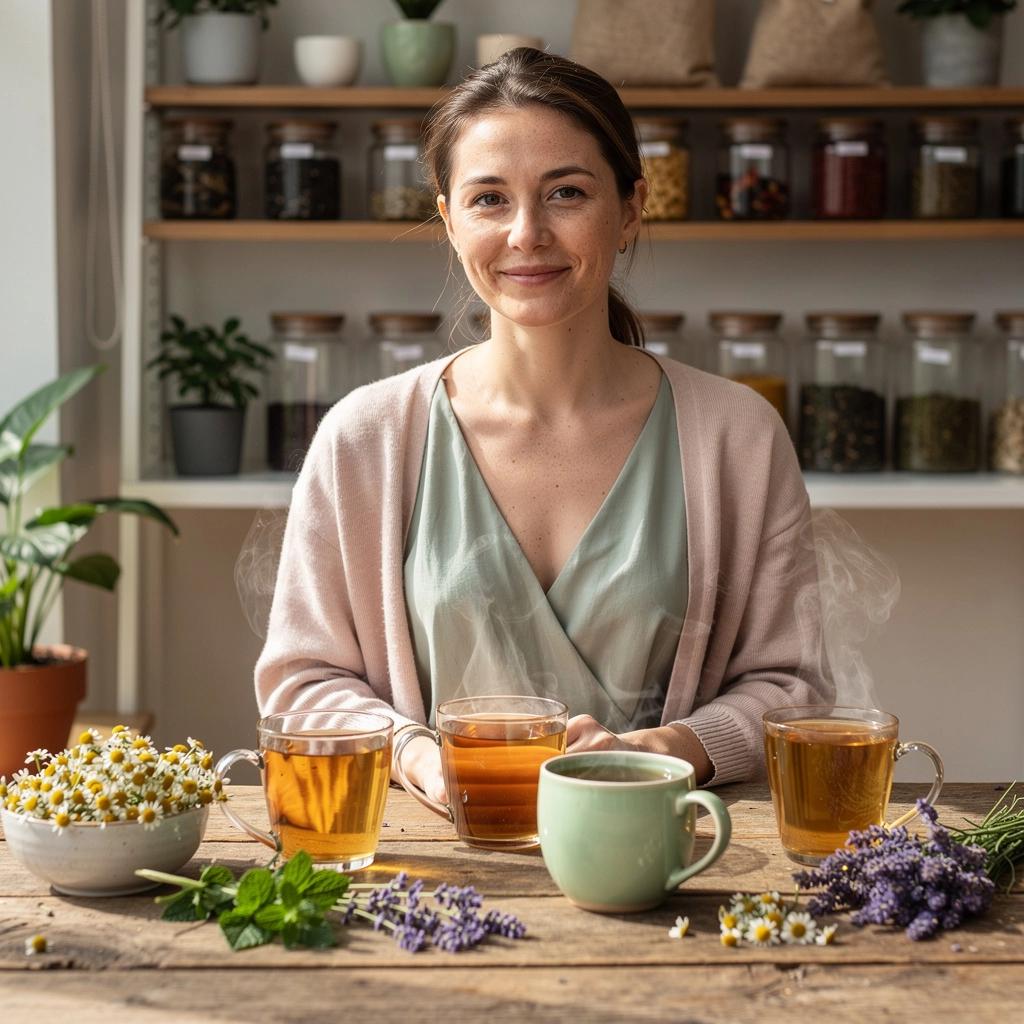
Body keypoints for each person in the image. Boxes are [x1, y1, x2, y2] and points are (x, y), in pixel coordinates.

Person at [254, 48, 832, 803]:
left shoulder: (739, 436)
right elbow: (302, 683)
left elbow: (793, 688)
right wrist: (420, 758)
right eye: (489, 199)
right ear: (449, 221)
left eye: (565, 193)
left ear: (630, 209)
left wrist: (664, 749)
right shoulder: (365, 438)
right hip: (430, 869)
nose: (526, 233)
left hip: (664, 857)